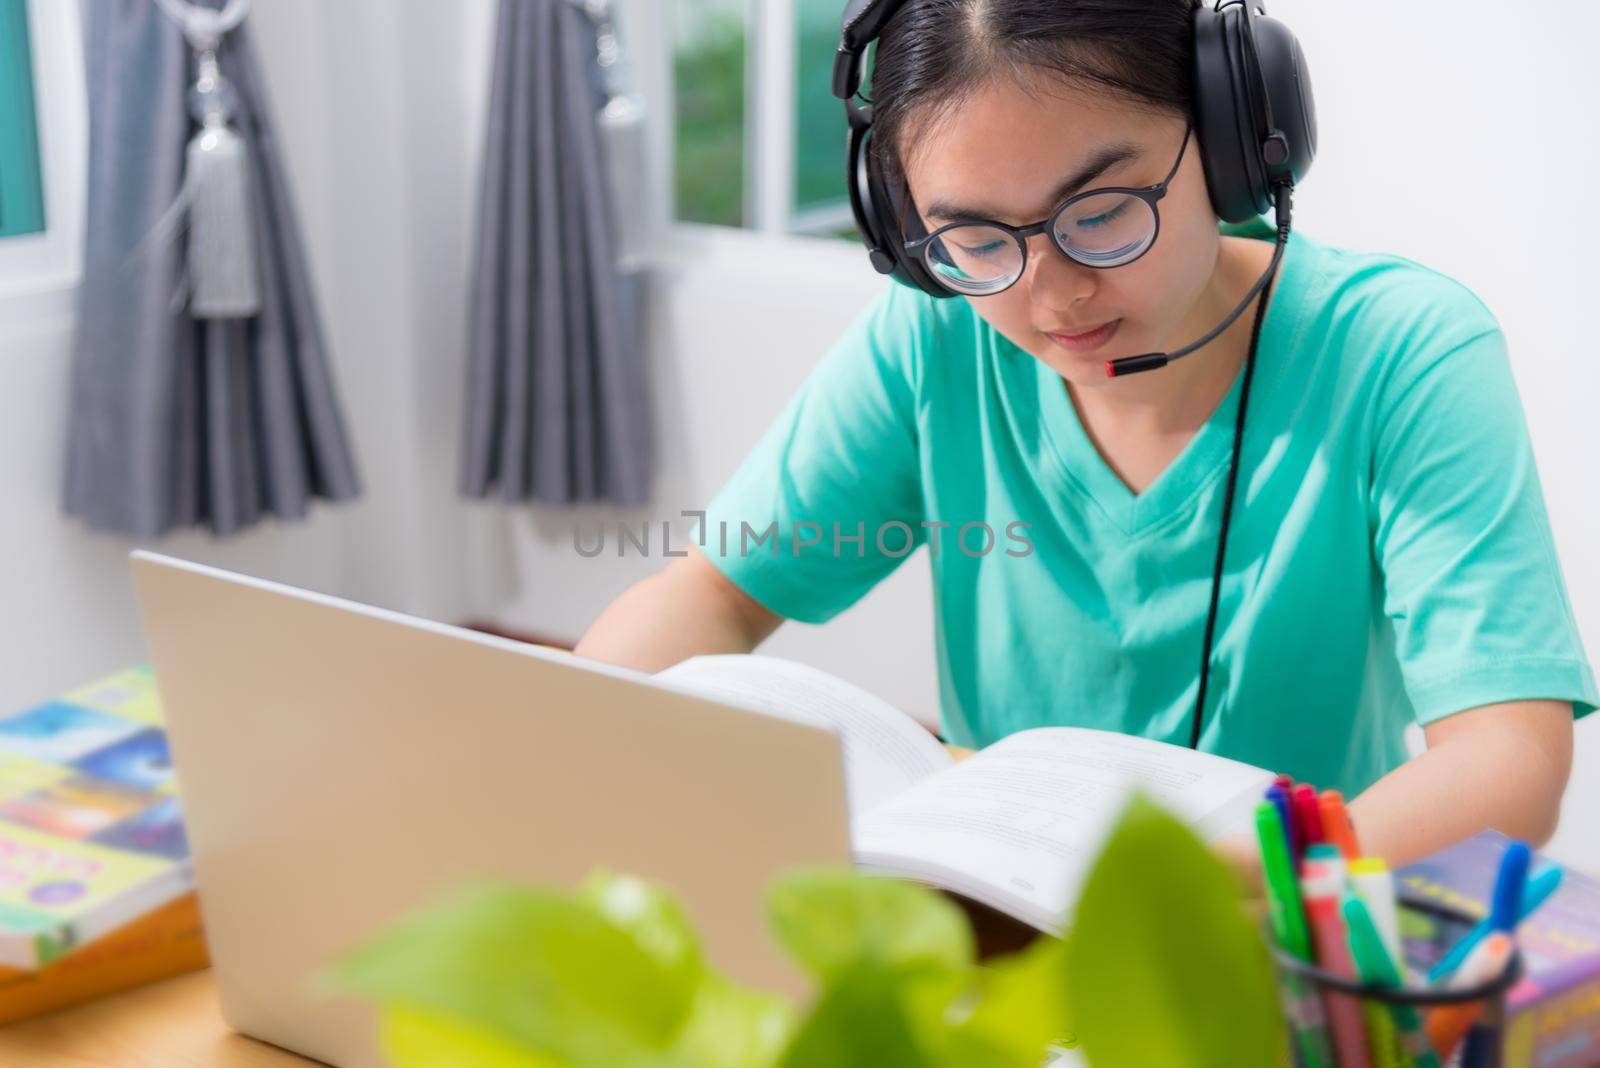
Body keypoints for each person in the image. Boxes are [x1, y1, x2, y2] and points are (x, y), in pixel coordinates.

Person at [576, 0, 1594, 869]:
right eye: (973, 238)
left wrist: (1205, 881)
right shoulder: (933, 331)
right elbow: (709, 597)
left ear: (1238, 141)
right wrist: (568, 747)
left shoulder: (1398, 352)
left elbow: (1508, 759)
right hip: (1006, 922)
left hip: (1286, 942)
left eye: (1101, 213)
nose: (1049, 297)